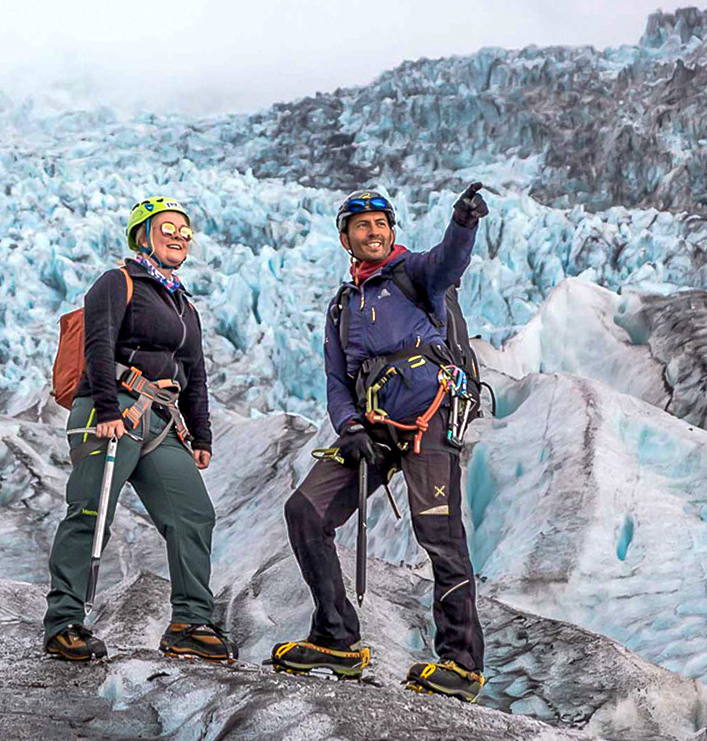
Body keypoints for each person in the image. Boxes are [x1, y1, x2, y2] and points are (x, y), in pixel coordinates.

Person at [271, 184, 490, 700]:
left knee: (439, 533)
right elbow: (335, 381)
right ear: (346, 237)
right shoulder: (343, 306)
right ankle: (335, 637)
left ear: (392, 231)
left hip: (427, 417)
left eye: (381, 223)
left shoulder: (415, 276)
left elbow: (449, 261)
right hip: (370, 427)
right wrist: (349, 428)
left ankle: (460, 663)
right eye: (362, 225)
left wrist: (463, 222)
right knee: (306, 510)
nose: (374, 232)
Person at [43, 196, 236, 663]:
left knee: (193, 513)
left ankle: (189, 622)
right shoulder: (119, 282)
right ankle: (65, 622)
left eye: (185, 231)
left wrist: (202, 436)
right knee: (91, 513)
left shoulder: (182, 304)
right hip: (109, 411)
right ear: (142, 234)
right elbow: (98, 343)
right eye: (167, 227)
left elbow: (196, 373)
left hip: (160, 419)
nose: (178, 237)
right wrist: (108, 407)